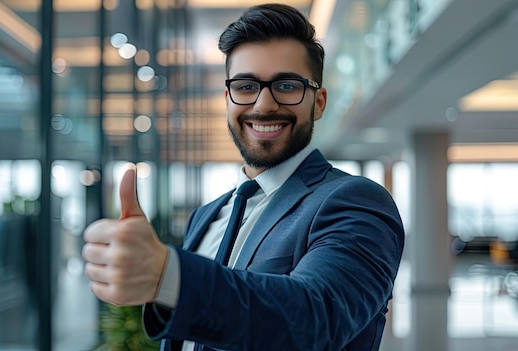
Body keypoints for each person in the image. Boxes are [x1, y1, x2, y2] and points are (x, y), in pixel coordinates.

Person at [83, 3, 405, 350]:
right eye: (246, 86)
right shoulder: (205, 217)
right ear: (228, 99)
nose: (264, 105)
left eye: (286, 85)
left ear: (319, 102)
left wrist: (169, 276)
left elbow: (315, 319)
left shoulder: (356, 201)